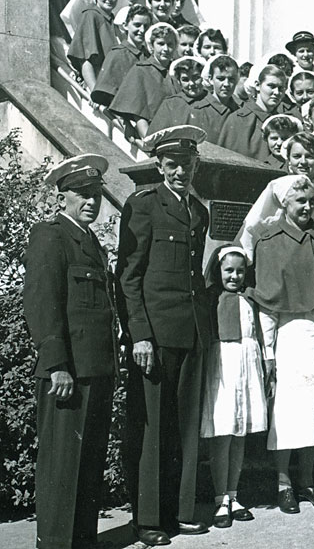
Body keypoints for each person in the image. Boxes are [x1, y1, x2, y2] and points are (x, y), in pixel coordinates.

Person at [116, 126, 211, 546]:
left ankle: (181, 510)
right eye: (172, 165)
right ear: (158, 165)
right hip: (153, 335)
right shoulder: (143, 205)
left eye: (187, 165)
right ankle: (149, 518)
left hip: (190, 331)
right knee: (152, 427)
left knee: (185, 427)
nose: (180, 172)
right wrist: (138, 335)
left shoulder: (199, 211)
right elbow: (129, 277)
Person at [238, 175, 314, 514]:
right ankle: (284, 483)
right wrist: (269, 353)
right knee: (290, 413)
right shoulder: (269, 239)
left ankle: (307, 481)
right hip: (293, 332)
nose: (306, 206)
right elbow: (269, 304)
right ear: (283, 203)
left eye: (309, 200)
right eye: (298, 201)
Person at [23, 154, 116, 549]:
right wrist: (56, 364)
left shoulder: (91, 241)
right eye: (82, 194)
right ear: (62, 197)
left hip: (95, 368)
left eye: (96, 193)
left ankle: (81, 541)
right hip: (68, 372)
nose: (91, 201)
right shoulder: (51, 235)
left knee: (88, 462)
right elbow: (43, 304)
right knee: (63, 465)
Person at [199, 246, 267, 529]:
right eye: (229, 270)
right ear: (219, 271)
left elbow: (260, 333)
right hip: (223, 364)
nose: (235, 276)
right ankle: (219, 499)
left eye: (240, 271)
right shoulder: (211, 299)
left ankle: (233, 494)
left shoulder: (250, 298)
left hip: (247, 363)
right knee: (223, 430)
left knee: (239, 432)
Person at [109, 22, 178, 139]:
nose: (166, 49)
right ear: (151, 46)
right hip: (154, 136)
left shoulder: (177, 72)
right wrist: (148, 139)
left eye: (170, 44)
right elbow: (139, 112)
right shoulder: (141, 70)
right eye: (160, 44)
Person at [217, 65, 289, 163]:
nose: (277, 92)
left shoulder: (283, 122)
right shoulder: (238, 120)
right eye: (271, 86)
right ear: (257, 85)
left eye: (281, 88)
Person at [91, 5, 152, 108]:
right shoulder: (117, 54)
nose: (142, 30)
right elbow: (109, 96)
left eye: (146, 26)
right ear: (125, 25)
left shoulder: (148, 56)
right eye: (137, 25)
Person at [67, 0, 119, 92]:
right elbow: (86, 59)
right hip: (98, 85)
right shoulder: (91, 15)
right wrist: (94, 91)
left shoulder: (112, 21)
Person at [146, 57, 207, 136]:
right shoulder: (171, 104)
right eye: (185, 79)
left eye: (196, 77)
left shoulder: (212, 100)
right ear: (179, 81)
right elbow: (154, 136)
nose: (191, 83)